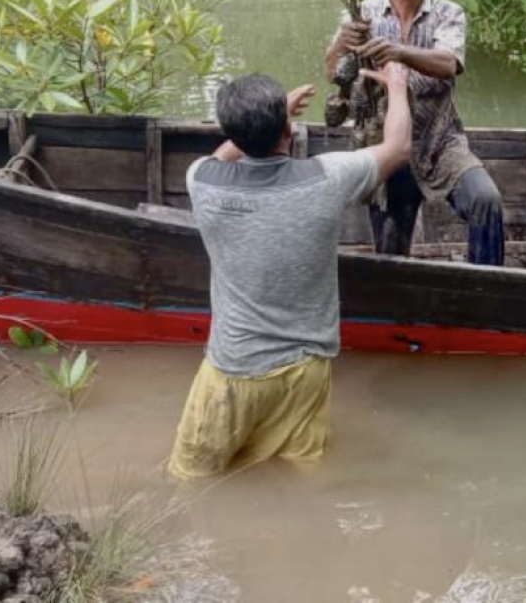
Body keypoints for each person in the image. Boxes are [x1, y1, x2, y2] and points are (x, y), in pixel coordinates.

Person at [168, 63, 411, 480]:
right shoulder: (327, 177)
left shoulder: (201, 181)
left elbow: (222, 155)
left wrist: (265, 121)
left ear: (233, 132)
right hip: (304, 370)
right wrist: (399, 87)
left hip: (233, 372)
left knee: (189, 479)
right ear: (288, 129)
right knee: (300, 477)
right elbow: (398, 147)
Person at [324, 0, 505, 266]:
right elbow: (333, 73)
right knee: (391, 244)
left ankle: (487, 292)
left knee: (486, 200)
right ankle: (396, 307)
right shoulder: (362, 14)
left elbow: (449, 63)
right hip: (388, 145)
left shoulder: (449, 13)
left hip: (441, 142)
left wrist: (398, 52)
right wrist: (340, 44)